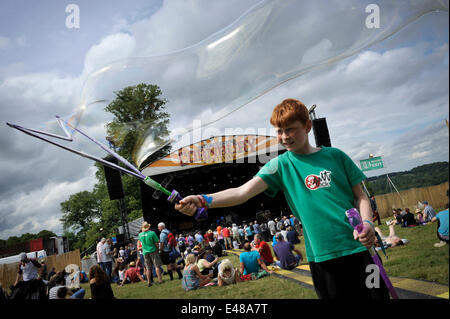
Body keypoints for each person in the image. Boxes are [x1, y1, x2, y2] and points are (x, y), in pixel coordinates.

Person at [175, 98, 389, 300]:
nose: (284, 136)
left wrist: (368, 223)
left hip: (361, 250)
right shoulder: (280, 165)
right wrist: (202, 199)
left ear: (307, 126)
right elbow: (242, 192)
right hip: (322, 258)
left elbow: (360, 195)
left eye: (290, 129)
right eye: (279, 131)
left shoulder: (336, 156)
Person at [139, 221, 163, 286]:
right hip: (153, 251)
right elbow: (157, 242)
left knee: (148, 268)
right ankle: (160, 280)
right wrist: (158, 249)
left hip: (145, 252)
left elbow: (141, 243)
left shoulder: (140, 234)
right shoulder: (152, 233)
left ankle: (149, 282)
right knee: (156, 266)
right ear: (148, 227)